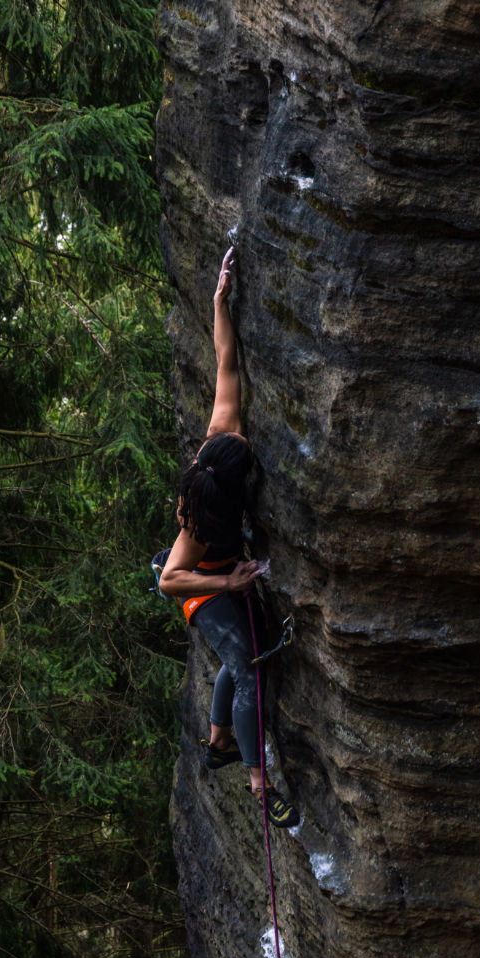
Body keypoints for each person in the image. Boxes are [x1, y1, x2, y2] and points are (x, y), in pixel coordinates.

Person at [158, 247, 299, 828]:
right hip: (196, 584)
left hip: (220, 571)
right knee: (249, 666)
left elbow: (226, 361)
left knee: (245, 649)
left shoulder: (224, 435)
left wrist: (220, 300)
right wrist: (227, 577)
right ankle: (259, 785)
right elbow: (169, 579)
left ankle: (218, 743)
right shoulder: (195, 525)